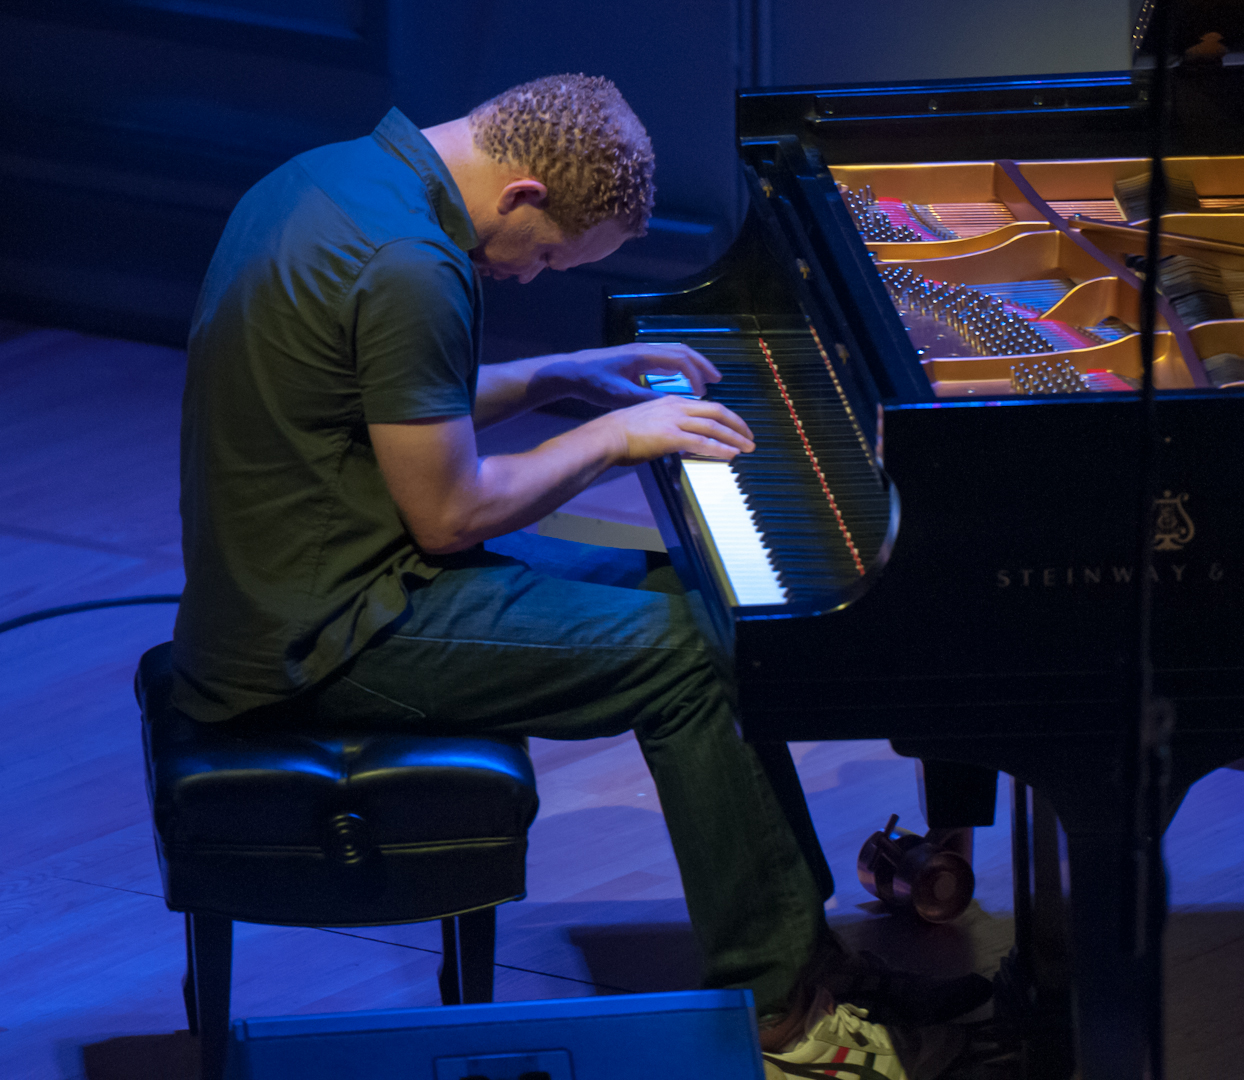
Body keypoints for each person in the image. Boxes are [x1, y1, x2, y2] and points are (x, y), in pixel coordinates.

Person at [173, 74, 990, 1078]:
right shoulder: (412, 264)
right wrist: (613, 437)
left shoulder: (334, 181)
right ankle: (787, 1021)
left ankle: (805, 957)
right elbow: (448, 513)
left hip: (307, 581)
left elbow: (397, 394)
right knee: (688, 658)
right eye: (551, 252)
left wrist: (559, 376)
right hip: (331, 632)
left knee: (690, 601)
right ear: (520, 193)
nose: (528, 276)